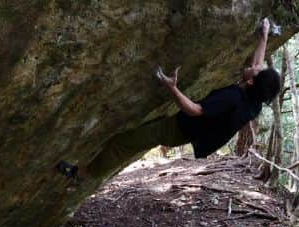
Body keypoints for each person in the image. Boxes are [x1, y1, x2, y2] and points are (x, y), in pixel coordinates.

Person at [56, 18, 281, 183]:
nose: (253, 66)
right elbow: (259, 66)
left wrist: (172, 88)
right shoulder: (255, 101)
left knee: (121, 143)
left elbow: (195, 110)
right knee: (131, 140)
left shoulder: (232, 99)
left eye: (254, 71)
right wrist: (263, 35)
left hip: (177, 129)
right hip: (187, 129)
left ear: (251, 82)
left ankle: (81, 175)